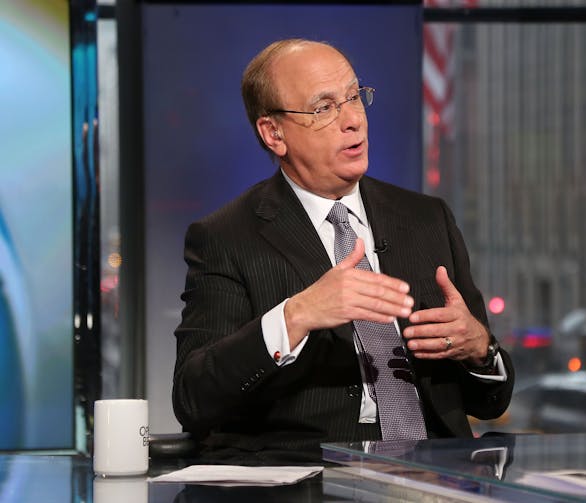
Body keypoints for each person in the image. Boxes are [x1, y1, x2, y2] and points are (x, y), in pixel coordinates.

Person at [172, 38, 514, 464]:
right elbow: (193, 397)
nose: (352, 120)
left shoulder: (427, 218)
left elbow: (490, 402)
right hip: (312, 476)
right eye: (323, 108)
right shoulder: (226, 237)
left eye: (354, 97)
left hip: (438, 474)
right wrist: (296, 316)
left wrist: (479, 347)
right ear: (273, 133)